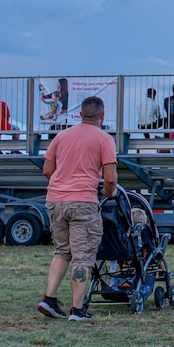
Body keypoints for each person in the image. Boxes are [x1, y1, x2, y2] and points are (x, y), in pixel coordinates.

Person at [37, 92, 118, 321]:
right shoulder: (104, 139)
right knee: (83, 256)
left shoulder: (61, 136)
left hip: (55, 200)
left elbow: (47, 170)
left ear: (80, 115)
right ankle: (77, 309)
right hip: (83, 201)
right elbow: (110, 179)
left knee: (62, 251)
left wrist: (62, 184)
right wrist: (107, 193)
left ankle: (49, 298)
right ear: (102, 116)